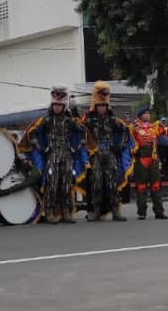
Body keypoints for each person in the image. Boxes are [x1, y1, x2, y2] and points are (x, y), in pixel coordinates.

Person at [23, 86, 85, 224]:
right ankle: (50, 212)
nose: (57, 108)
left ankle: (67, 213)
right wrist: (42, 149)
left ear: (64, 106)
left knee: (66, 184)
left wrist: (75, 148)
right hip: (52, 156)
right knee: (52, 183)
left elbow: (82, 133)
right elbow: (33, 134)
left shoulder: (70, 121)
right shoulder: (47, 120)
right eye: (55, 105)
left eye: (60, 105)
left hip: (67, 156)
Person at [81, 81, 132, 222]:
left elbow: (125, 131)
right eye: (99, 106)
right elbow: (81, 132)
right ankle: (95, 211)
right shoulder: (89, 121)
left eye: (104, 106)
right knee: (96, 183)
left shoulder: (113, 120)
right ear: (95, 106)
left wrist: (119, 145)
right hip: (96, 156)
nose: (102, 108)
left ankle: (116, 211)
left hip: (110, 154)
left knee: (112, 183)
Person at [128, 107, 168, 219]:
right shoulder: (133, 128)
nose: (148, 115)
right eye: (146, 113)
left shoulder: (155, 127)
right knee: (141, 187)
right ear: (140, 116)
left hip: (153, 159)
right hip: (140, 160)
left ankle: (159, 211)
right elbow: (127, 140)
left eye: (149, 113)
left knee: (156, 186)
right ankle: (142, 212)